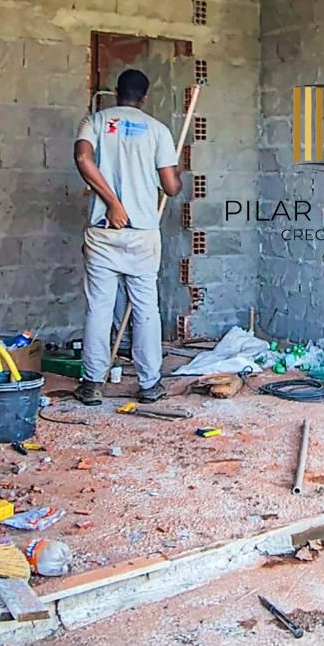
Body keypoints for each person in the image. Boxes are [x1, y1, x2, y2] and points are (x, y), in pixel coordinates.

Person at [72, 69, 182, 406]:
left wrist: (110, 202)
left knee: (99, 308)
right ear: (144, 97)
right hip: (142, 234)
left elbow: (81, 157)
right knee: (147, 308)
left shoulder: (93, 122)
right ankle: (149, 385)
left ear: (116, 92)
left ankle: (92, 384)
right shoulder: (158, 131)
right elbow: (171, 187)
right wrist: (173, 175)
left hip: (104, 233)